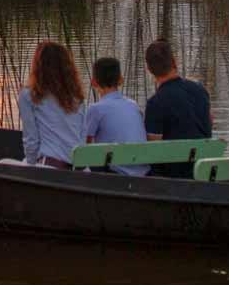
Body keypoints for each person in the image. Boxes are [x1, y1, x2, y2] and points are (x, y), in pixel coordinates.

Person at [141, 39, 211, 180]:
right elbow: (208, 124)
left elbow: (154, 150)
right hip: (204, 169)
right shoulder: (200, 90)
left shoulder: (155, 103)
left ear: (149, 69)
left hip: (174, 176)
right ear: (174, 61)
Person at [17, 40, 86, 169]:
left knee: (5, 162)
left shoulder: (29, 95)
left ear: (38, 66)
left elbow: (31, 139)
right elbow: (82, 136)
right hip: (79, 168)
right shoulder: (77, 96)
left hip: (50, 166)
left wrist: (30, 166)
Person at [81, 56, 150, 175]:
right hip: (144, 171)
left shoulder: (96, 109)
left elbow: (85, 145)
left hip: (118, 173)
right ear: (121, 80)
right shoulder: (133, 105)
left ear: (93, 82)